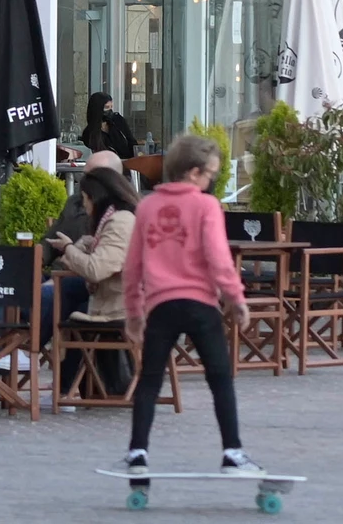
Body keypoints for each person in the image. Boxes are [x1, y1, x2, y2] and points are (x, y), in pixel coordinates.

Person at [119, 134, 260, 477]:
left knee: (150, 379)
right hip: (200, 304)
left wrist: (134, 312)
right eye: (210, 175)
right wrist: (235, 297)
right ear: (195, 172)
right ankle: (232, 452)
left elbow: (133, 265)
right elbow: (217, 256)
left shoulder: (147, 206)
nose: (211, 182)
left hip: (161, 306)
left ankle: (138, 453)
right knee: (220, 378)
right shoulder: (205, 206)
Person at [43, 162, 139, 390]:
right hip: (113, 295)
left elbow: (96, 270)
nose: (83, 205)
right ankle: (63, 384)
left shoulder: (120, 222)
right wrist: (83, 246)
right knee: (64, 294)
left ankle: (27, 343)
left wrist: (68, 249)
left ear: (93, 197)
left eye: (84, 199)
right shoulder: (115, 219)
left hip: (121, 304)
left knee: (63, 299)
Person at [81, 92, 137, 160]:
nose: (110, 110)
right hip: (106, 166)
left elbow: (132, 142)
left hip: (126, 162)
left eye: (111, 107)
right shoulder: (89, 133)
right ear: (97, 109)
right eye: (107, 107)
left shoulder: (118, 121)